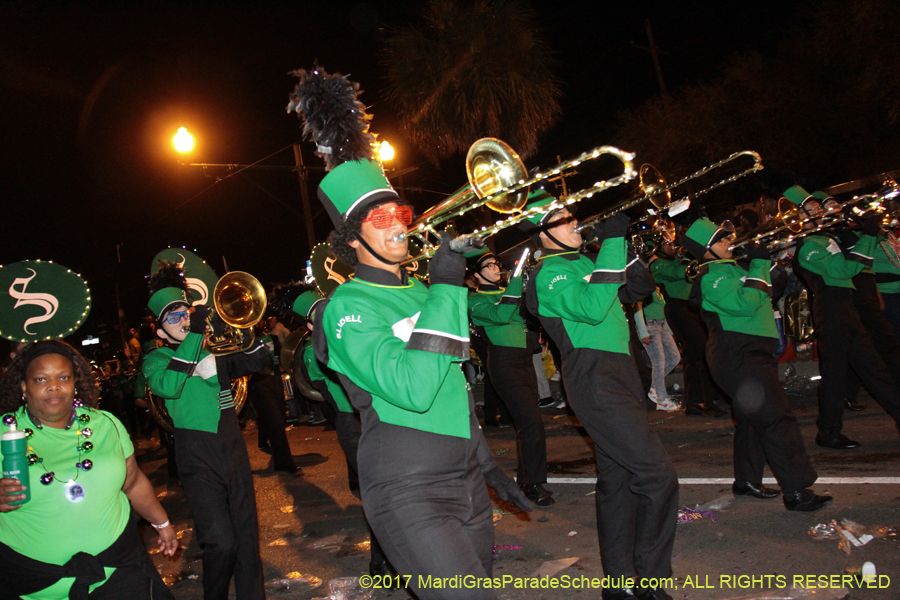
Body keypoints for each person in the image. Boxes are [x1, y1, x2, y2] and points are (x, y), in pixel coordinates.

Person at [522, 195, 678, 600]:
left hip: (620, 370)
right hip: (593, 377)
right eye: (562, 219)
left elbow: (629, 294)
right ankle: (650, 581)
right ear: (542, 233)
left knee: (618, 480)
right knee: (658, 477)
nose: (575, 223)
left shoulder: (587, 262)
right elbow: (591, 308)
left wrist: (630, 259)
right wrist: (610, 242)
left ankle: (620, 581)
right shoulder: (547, 274)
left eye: (573, 215)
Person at [0, 340, 177, 600]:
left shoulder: (106, 424)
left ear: (75, 382)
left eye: (63, 377)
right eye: (40, 379)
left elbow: (133, 482)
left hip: (119, 571)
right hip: (34, 585)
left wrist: (162, 524)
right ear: (24, 387)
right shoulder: (5, 432)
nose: (53, 386)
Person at [682, 218, 831, 512]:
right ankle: (797, 491)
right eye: (722, 240)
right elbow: (748, 303)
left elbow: (773, 289)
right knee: (776, 418)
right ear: (706, 250)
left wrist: (764, 261)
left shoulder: (734, 269)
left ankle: (747, 481)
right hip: (737, 353)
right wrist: (759, 265)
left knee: (754, 419)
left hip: (753, 351)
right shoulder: (712, 277)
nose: (729, 243)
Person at [142, 262, 270, 600]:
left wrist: (242, 323)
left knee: (246, 535)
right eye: (172, 317)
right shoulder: (155, 360)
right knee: (221, 542)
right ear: (159, 332)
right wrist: (197, 334)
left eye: (184, 311)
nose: (183, 319)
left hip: (232, 445)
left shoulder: (214, 348)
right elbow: (169, 385)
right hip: (195, 452)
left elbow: (257, 360)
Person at [788, 186, 900, 449]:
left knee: (875, 370)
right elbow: (845, 268)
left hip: (846, 309)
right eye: (812, 210)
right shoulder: (807, 247)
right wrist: (868, 235)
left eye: (818, 208)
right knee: (835, 376)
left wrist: (861, 228)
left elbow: (861, 262)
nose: (820, 212)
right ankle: (827, 432)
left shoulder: (829, 238)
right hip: (831, 311)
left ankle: (830, 431)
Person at [467, 248, 553, 506]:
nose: (495, 269)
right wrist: (516, 278)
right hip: (504, 364)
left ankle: (529, 480)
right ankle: (531, 485)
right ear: (475, 275)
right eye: (489, 266)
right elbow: (502, 315)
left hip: (525, 360)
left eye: (496, 264)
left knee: (531, 423)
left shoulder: (509, 292)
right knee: (531, 423)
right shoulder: (473, 300)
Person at [649, 236, 728, 417]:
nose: (672, 246)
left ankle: (694, 402)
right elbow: (679, 273)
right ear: (658, 248)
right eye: (667, 244)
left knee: (694, 356)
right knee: (701, 351)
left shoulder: (678, 260)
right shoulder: (657, 265)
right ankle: (707, 402)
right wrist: (689, 256)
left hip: (692, 307)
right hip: (677, 309)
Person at [633, 286, 681, 411]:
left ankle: (654, 387)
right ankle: (662, 400)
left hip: (662, 324)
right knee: (658, 362)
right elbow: (637, 307)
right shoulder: (644, 285)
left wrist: (669, 329)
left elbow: (662, 306)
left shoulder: (657, 286)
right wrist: (643, 332)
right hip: (650, 325)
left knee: (675, 357)